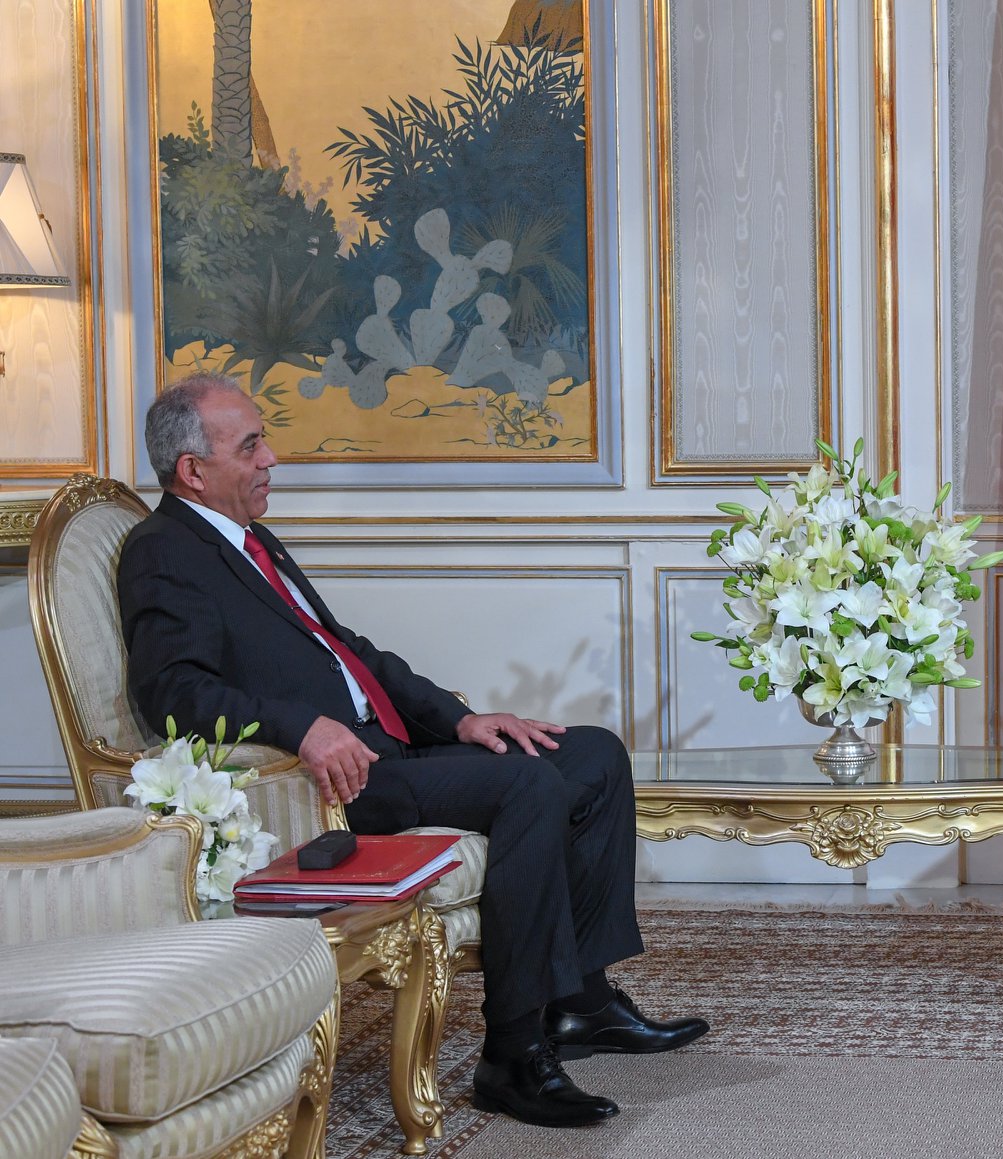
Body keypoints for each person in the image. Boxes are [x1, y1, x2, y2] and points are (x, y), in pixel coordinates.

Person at [118, 373, 709, 1128]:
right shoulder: (163, 550)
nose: (272, 458)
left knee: (591, 754)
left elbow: (348, 651)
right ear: (193, 469)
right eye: (252, 445)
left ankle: (582, 1005)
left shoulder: (250, 538)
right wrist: (301, 727)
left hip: (390, 748)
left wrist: (460, 720)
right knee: (528, 787)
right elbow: (171, 691)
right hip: (331, 782)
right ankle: (513, 1054)